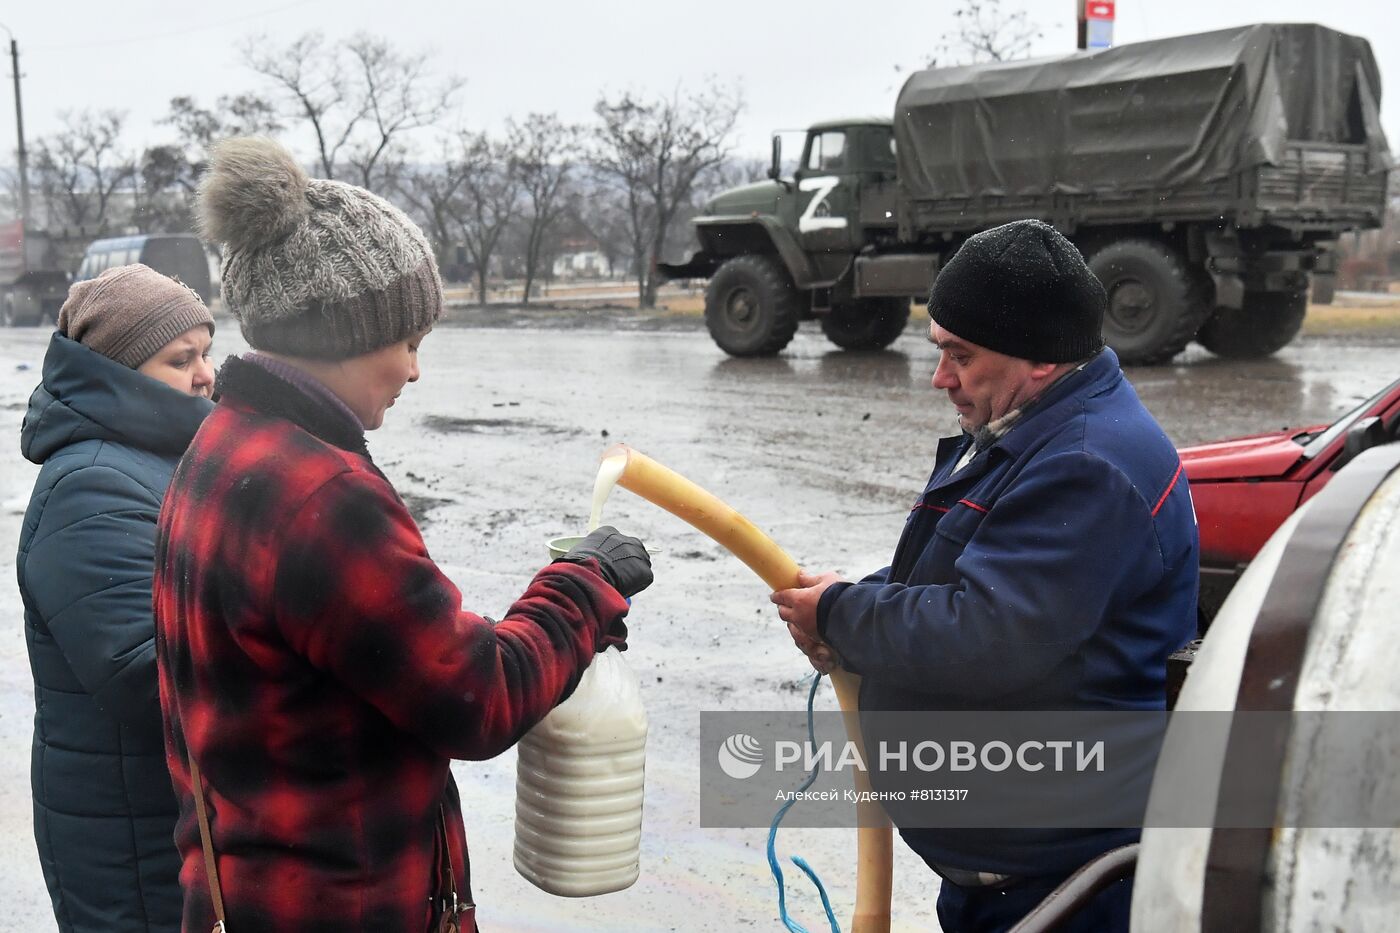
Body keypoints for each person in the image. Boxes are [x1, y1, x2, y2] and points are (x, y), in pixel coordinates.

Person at [151, 136, 652, 933]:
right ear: (348, 331)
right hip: (342, 906)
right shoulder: (320, 495)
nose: (416, 372)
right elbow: (475, 696)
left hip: (242, 892)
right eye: (410, 342)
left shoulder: (220, 447)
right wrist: (584, 586)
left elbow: (368, 654)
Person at [772, 220, 1198, 933]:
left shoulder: (1087, 465)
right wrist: (850, 604)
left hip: (1068, 891)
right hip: (1006, 880)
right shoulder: (1035, 431)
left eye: (960, 355)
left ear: (1035, 357)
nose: (941, 378)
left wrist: (846, 615)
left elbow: (988, 634)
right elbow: (965, 567)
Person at [17, 265, 216, 932]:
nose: (205, 374)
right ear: (120, 369)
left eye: (206, 353)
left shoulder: (156, 458)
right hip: (129, 848)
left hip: (164, 825)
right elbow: (145, 675)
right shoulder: (92, 482)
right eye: (180, 358)